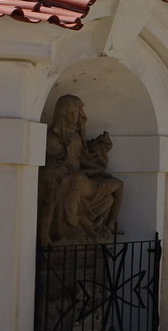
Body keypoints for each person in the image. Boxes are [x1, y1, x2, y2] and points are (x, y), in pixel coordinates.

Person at [37, 95, 124, 245]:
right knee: (117, 187)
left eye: (76, 112)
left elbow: (85, 156)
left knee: (113, 193)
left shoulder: (76, 137)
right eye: (71, 112)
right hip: (73, 182)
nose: (74, 116)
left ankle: (110, 226)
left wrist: (100, 147)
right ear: (62, 113)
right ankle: (109, 226)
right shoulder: (50, 138)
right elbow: (43, 166)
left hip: (81, 180)